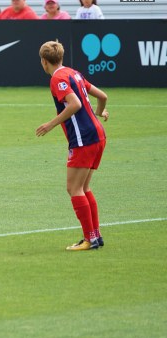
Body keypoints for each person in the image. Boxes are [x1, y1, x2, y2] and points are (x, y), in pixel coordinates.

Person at [36, 40, 109, 251]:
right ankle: (95, 236)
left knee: (74, 188)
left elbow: (75, 104)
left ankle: (89, 239)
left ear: (43, 61)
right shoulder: (72, 72)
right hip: (97, 134)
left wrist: (50, 124)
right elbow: (102, 96)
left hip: (83, 137)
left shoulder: (57, 78)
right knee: (84, 188)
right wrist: (98, 112)